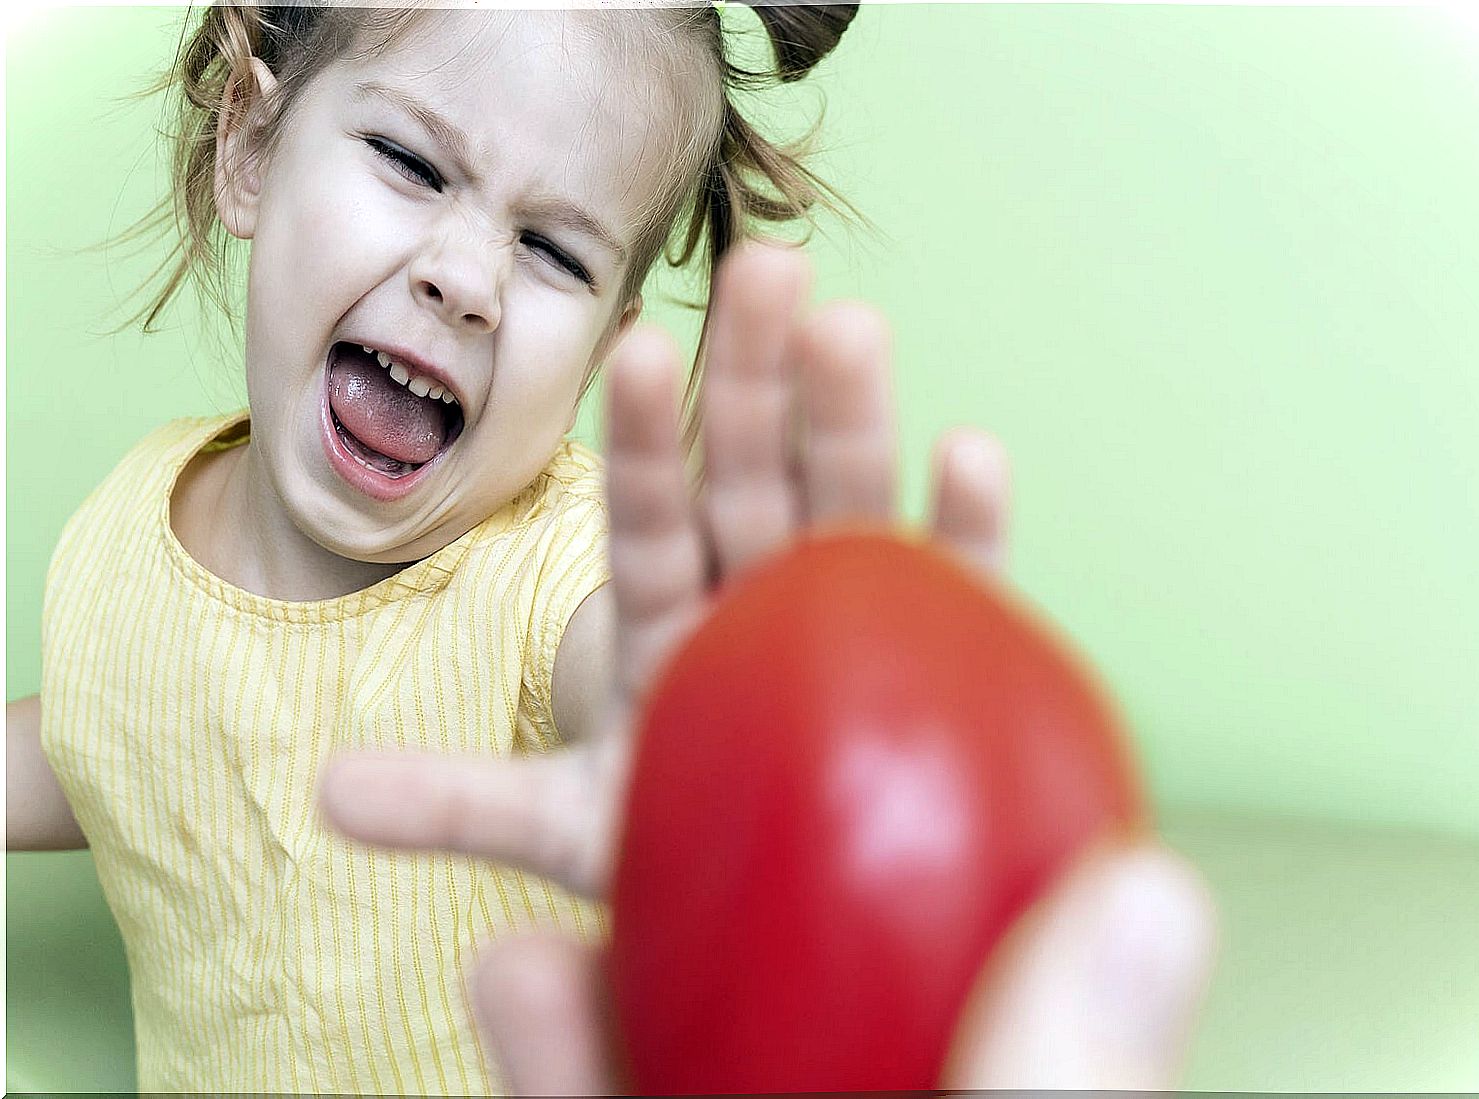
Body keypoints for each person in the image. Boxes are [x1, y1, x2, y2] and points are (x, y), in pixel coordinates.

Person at [5, 2, 1215, 1094]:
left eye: (554, 252)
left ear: (604, 342)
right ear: (249, 146)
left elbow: (640, 685)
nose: (467, 280)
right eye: (411, 162)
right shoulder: (125, 518)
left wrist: (726, 707)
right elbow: (124, 731)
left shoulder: (556, 578)